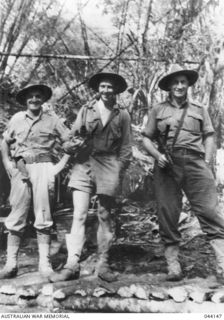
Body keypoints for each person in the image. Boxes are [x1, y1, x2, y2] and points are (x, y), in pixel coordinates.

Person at [142, 64, 224, 282]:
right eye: (175, 82)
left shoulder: (199, 109)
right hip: (166, 165)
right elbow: (146, 138)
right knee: (167, 212)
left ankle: (222, 265)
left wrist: (206, 160)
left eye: (183, 82)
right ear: (168, 86)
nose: (179, 86)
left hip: (195, 163)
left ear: (188, 85)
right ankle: (173, 265)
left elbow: (209, 135)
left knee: (209, 210)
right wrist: (157, 156)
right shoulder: (158, 110)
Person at [50, 72, 132, 283]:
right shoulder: (86, 110)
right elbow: (71, 137)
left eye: (110, 87)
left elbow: (126, 147)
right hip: (84, 163)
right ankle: (72, 264)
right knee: (79, 214)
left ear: (116, 90)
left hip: (109, 165)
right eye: (102, 86)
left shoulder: (122, 115)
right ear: (98, 88)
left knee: (105, 216)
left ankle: (103, 264)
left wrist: (118, 170)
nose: (106, 90)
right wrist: (71, 145)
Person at [0, 84, 70, 279]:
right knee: (17, 215)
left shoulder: (53, 120)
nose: (34, 100)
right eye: (30, 97)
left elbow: (70, 143)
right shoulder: (16, 119)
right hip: (20, 169)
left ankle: (44, 264)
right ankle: (11, 264)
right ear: (25, 100)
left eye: (38, 96)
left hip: (44, 168)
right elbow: (5, 141)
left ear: (43, 99)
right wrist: (7, 163)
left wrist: (59, 166)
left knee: (44, 215)